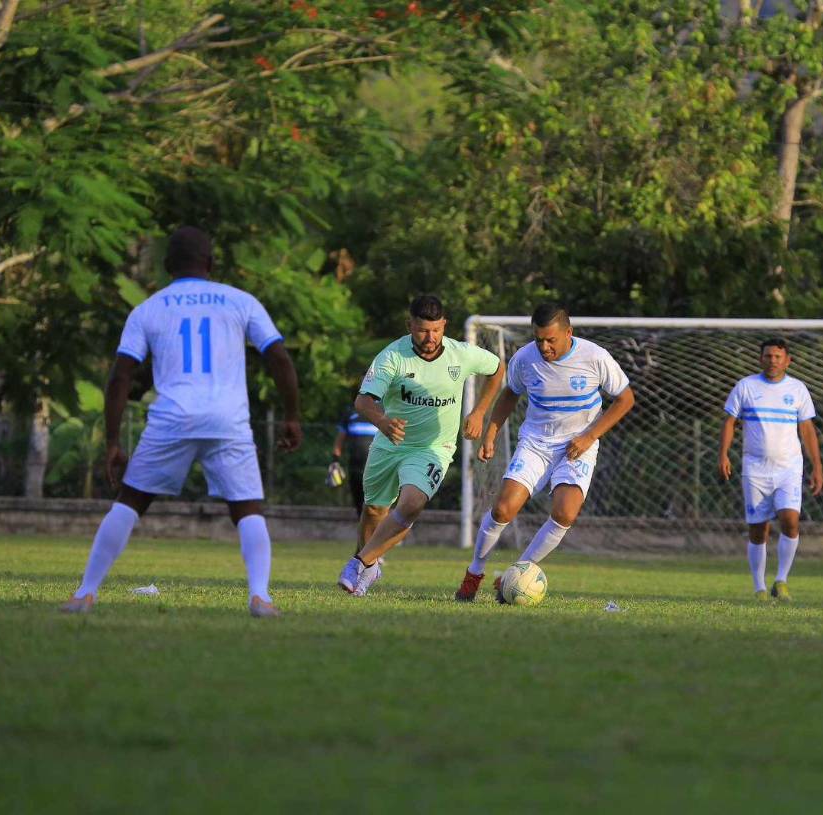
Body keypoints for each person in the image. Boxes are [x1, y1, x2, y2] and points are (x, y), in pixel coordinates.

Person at [60, 226, 302, 618]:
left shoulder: (149, 308)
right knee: (248, 509)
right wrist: (291, 416)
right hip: (228, 420)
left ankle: (85, 593)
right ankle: (260, 597)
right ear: (210, 263)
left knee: (130, 503)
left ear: (167, 265)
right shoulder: (241, 301)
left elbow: (121, 376)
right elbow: (279, 359)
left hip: (172, 418)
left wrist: (112, 443)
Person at [454, 303, 635, 602]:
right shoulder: (525, 359)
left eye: (551, 340)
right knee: (502, 509)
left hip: (578, 446)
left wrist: (590, 436)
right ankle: (474, 574)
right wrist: (491, 433)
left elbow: (626, 399)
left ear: (568, 333)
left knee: (565, 513)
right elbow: (510, 393)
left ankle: (514, 576)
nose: (544, 346)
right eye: (539, 339)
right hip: (536, 442)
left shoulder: (595, 357)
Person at [336, 295, 505, 596]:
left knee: (412, 503)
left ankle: (359, 563)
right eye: (422, 331)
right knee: (374, 510)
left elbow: (497, 369)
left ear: (444, 326)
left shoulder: (461, 354)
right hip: (390, 445)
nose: (430, 338)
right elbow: (363, 401)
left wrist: (479, 412)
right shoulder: (392, 356)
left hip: (433, 448)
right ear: (410, 326)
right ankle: (367, 569)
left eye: (436, 330)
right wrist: (384, 422)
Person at [718, 337, 823, 603]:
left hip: (789, 467)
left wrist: (817, 466)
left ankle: (782, 580)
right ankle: (759, 588)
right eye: (768, 356)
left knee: (791, 520)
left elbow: (807, 430)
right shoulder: (746, 387)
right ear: (760, 359)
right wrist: (724, 454)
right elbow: (730, 422)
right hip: (755, 469)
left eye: (778, 357)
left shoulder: (798, 389)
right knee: (758, 529)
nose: (772, 361)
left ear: (788, 361)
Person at [331, 405, 378, 517]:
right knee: (360, 508)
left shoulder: (384, 410)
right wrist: (335, 462)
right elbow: (339, 441)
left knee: (376, 508)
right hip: (355, 469)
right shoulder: (350, 413)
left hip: (377, 470)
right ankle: (365, 533)